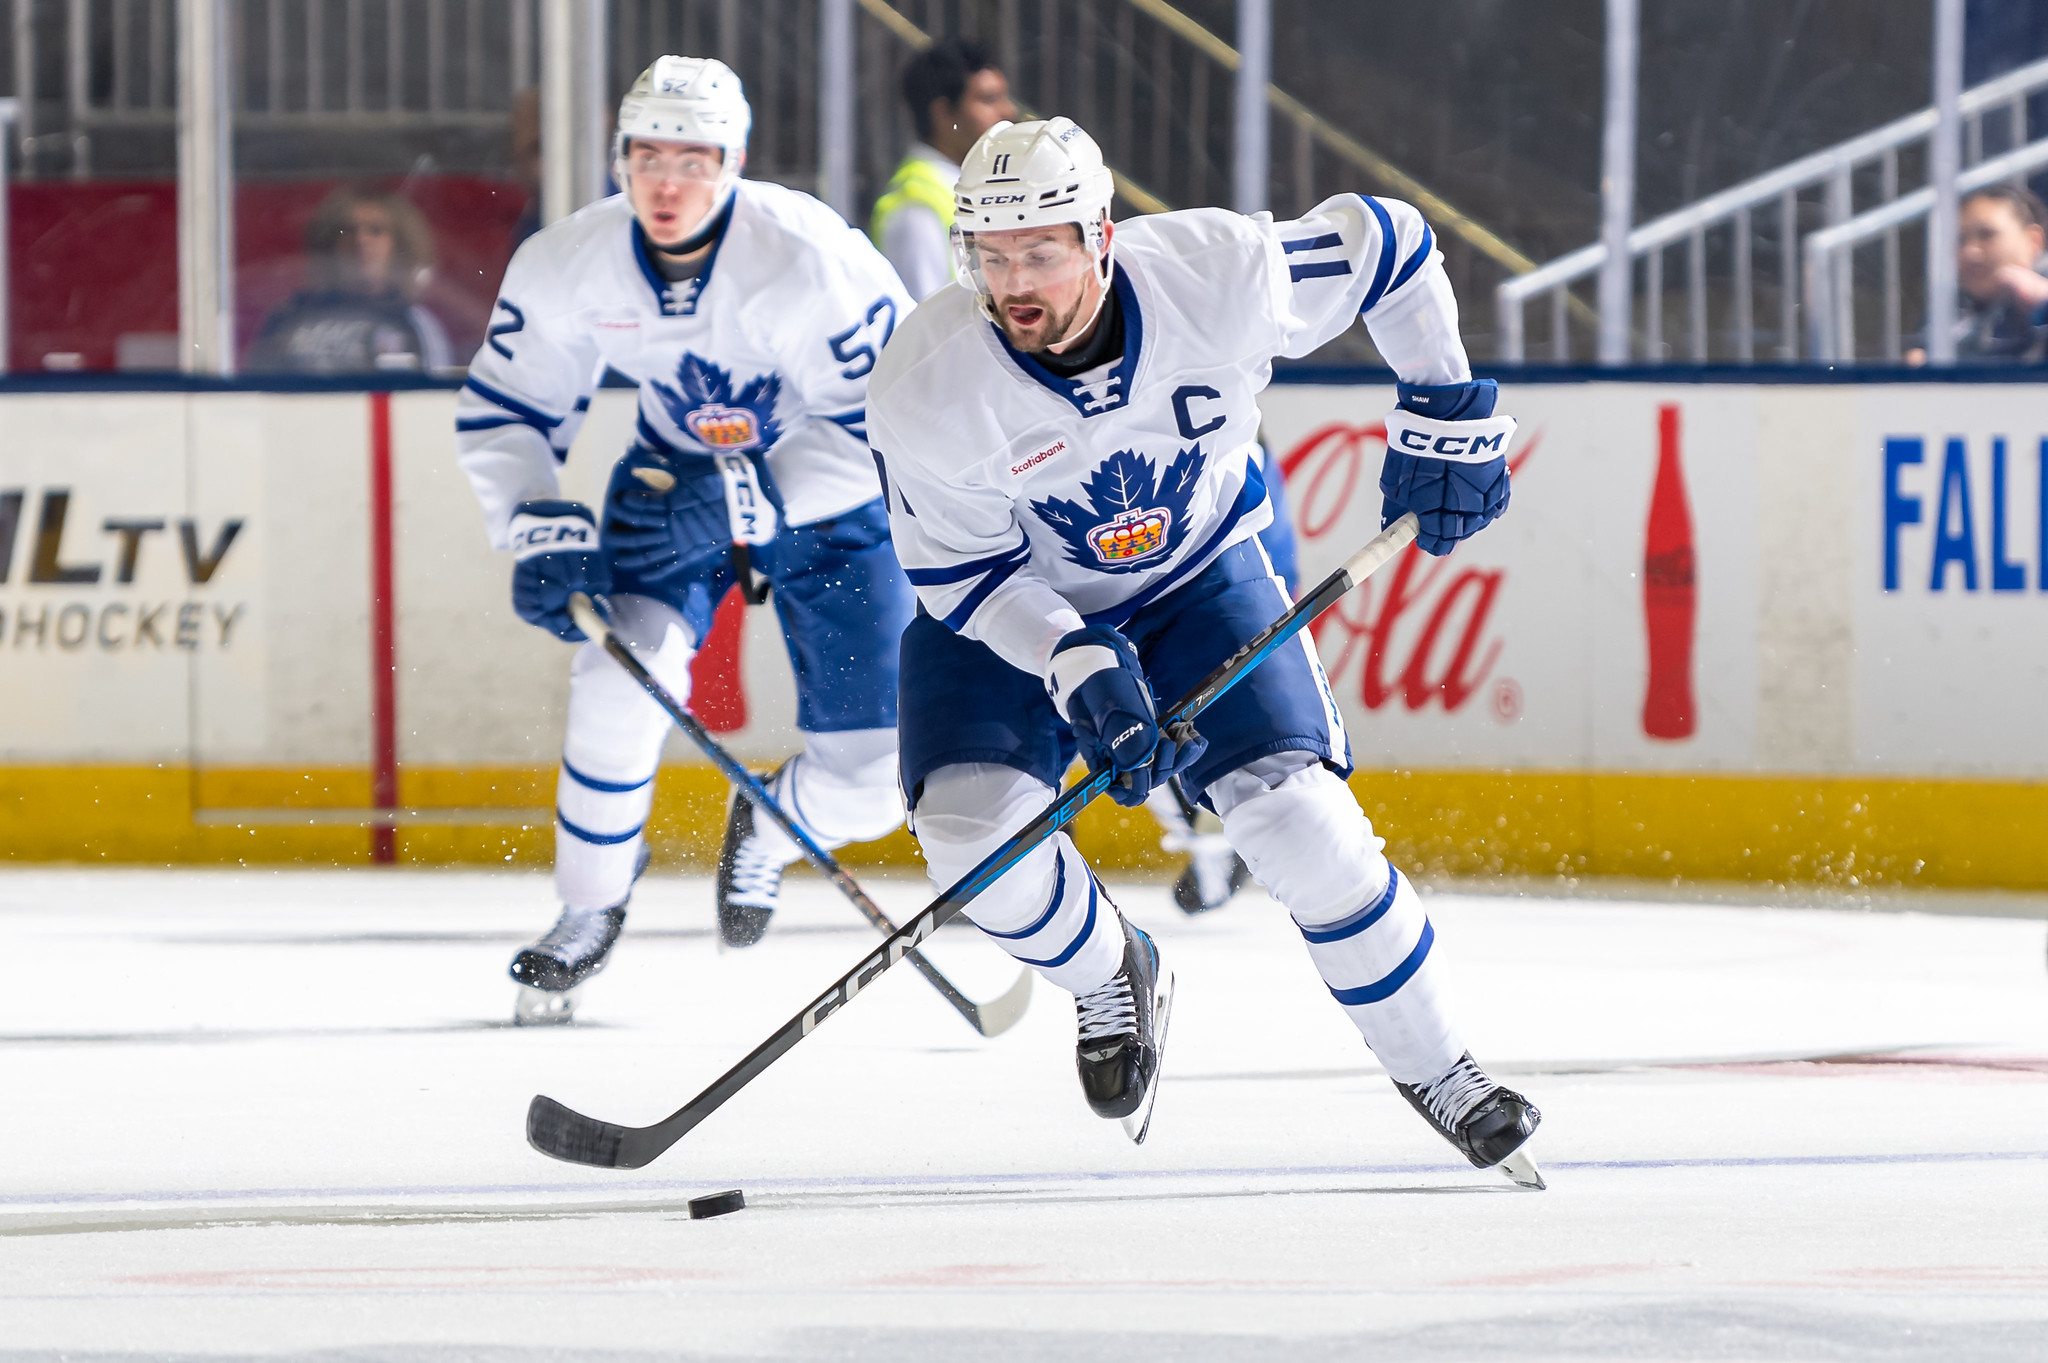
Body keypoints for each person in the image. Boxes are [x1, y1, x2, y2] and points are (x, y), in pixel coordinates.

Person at [867, 117, 1541, 1180]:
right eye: (988, 259)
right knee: (969, 841)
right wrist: (1075, 659)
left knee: (1299, 825)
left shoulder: (1216, 273)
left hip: (1198, 581)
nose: (1012, 284)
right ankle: (1108, 973)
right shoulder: (927, 383)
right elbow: (964, 578)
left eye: (1038, 251)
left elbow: (1392, 245)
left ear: (1101, 235)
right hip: (1017, 614)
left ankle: (1443, 1069)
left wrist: (1443, 409)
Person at [456, 56, 917, 1023]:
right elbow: (508, 409)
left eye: (695, 159)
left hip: (828, 508)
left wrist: (753, 497)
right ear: (619, 157)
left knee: (877, 783)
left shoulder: (809, 259)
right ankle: (586, 910)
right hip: (669, 484)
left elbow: (893, 421)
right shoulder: (570, 260)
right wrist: (538, 526)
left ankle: (772, 821)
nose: (668, 185)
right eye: (648, 156)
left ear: (735, 161)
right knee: (621, 673)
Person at [247, 186, 454, 373]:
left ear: (399, 248)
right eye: (347, 230)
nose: (361, 240)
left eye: (376, 230)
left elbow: (432, 402)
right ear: (329, 245)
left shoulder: (411, 323)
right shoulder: (286, 318)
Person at [869, 39, 1017, 301]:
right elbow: (921, 325)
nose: (1009, 111)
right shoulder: (916, 208)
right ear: (943, 112)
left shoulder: (977, 186)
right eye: (988, 99)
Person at [1907, 183, 2048, 364]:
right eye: (1961, 239)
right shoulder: (1947, 313)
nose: (1970, 252)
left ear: (2033, 241)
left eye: (1987, 235)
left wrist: (2043, 300)